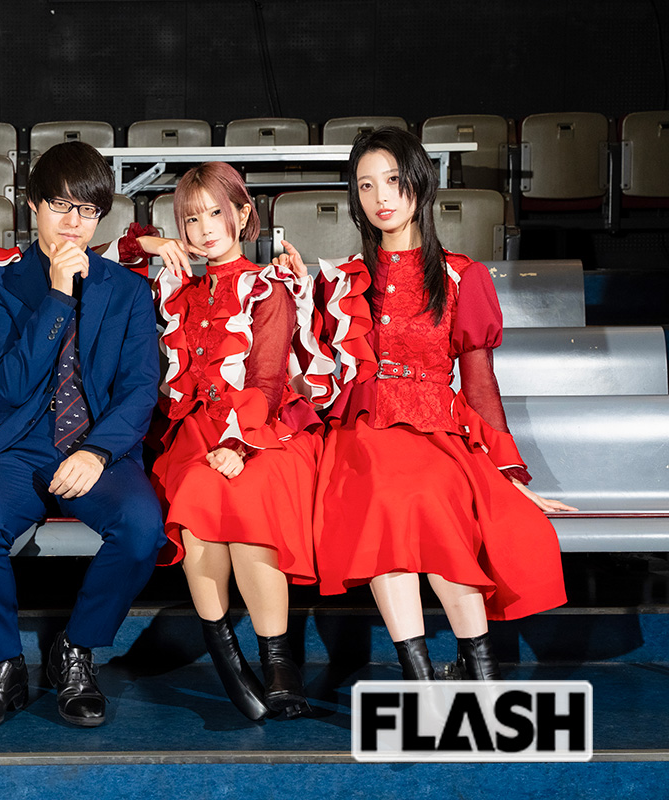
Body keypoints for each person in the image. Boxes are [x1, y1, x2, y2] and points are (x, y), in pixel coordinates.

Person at [289, 127, 576, 680]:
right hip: (363, 431)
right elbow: (313, 371)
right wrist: (299, 299)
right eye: (366, 185)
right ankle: (420, 676)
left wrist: (507, 471)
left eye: (393, 180)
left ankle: (480, 670)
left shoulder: (462, 275)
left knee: (433, 498)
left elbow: (480, 385)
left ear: (420, 182)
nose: (381, 197)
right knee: (383, 497)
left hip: (436, 427)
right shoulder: (341, 280)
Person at [0, 141, 166, 731]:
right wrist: (57, 293)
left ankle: (76, 649)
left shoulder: (127, 290)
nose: (74, 223)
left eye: (88, 211)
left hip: (97, 447)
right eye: (61, 206)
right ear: (33, 206)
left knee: (141, 529)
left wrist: (97, 451)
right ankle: (0, 665)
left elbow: (138, 388)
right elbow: (12, 382)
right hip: (18, 446)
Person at [129, 162, 323, 720]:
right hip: (194, 432)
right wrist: (152, 242)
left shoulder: (268, 285)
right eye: (191, 219)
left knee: (249, 500)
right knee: (196, 498)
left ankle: (279, 664)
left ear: (242, 213)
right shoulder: (174, 286)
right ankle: (229, 660)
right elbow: (99, 253)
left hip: (266, 430)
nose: (205, 228)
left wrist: (238, 446)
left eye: (216, 212)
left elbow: (266, 379)